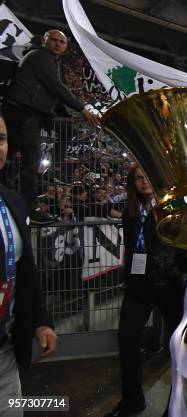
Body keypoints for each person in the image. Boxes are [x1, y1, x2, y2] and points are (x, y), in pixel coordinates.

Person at [104, 165, 185, 417]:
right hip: (138, 285)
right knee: (127, 339)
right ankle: (132, 401)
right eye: (139, 178)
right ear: (132, 182)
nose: (144, 182)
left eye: (147, 176)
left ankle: (175, 406)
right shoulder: (130, 210)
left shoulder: (170, 208)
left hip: (167, 284)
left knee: (177, 348)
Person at [2, 29, 99, 224]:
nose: (57, 44)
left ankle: (55, 169)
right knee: (29, 165)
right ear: (44, 40)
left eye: (61, 42)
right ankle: (31, 209)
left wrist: (66, 115)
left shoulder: (52, 62)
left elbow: (53, 95)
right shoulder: (40, 56)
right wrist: (82, 109)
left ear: (66, 46)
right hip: (23, 114)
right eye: (53, 40)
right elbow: (56, 87)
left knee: (67, 130)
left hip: (32, 114)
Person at [0, 112, 57, 417]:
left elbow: (25, 271)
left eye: (2, 138)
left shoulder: (14, 200)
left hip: (6, 349)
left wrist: (40, 321)